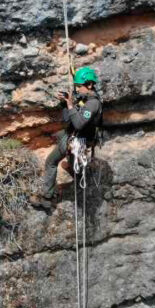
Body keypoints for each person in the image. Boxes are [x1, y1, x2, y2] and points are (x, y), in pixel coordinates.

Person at [31, 66, 103, 209]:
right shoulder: (86, 98)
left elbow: (77, 124)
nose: (77, 89)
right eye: (76, 86)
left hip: (79, 139)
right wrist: (65, 103)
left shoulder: (93, 104)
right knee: (57, 135)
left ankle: (47, 197)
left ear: (89, 85)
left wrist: (70, 104)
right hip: (76, 134)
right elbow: (66, 119)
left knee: (50, 162)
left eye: (79, 86)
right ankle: (72, 164)